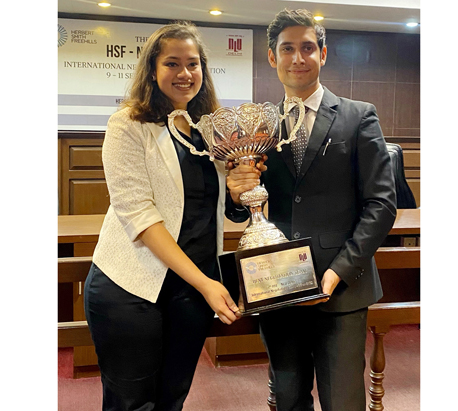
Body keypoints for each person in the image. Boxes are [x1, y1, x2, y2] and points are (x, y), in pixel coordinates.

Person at [227, 9, 397, 411]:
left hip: (341, 286)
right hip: (279, 287)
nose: (298, 58)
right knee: (287, 398)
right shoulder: (259, 128)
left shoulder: (359, 116)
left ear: (323, 53)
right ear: (272, 57)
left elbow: (381, 204)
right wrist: (237, 195)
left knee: (343, 400)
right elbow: (241, 212)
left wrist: (339, 270)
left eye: (308, 48)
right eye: (287, 49)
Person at [84, 21, 241, 411]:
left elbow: (222, 209)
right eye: (172, 63)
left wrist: (239, 191)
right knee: (131, 403)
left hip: (190, 291)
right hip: (132, 287)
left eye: (193, 64)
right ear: (152, 71)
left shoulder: (209, 130)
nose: (184, 74)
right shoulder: (128, 125)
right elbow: (140, 218)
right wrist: (205, 284)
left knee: (172, 398)